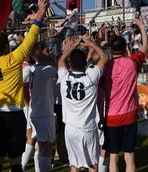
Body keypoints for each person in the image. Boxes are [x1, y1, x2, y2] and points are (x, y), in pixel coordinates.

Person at [0, 0, 48, 171]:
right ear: (7, 46)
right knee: (15, 161)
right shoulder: (14, 59)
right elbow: (31, 37)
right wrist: (41, 12)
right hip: (14, 115)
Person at [102, 18, 148, 172]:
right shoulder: (132, 62)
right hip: (129, 114)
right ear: (125, 48)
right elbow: (145, 47)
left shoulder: (106, 67)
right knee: (129, 156)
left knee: (114, 156)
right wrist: (142, 26)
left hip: (112, 116)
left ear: (110, 49)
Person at [57, 36, 108, 172]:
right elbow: (104, 57)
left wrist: (74, 46)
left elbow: (61, 60)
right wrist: (91, 44)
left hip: (70, 129)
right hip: (87, 129)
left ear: (70, 64)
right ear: (85, 65)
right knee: (93, 165)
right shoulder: (91, 77)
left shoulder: (64, 77)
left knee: (75, 165)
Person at [29, 42, 57, 172]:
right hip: (44, 114)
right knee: (47, 147)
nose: (50, 52)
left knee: (41, 146)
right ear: (38, 53)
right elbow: (60, 68)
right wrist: (50, 59)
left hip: (37, 112)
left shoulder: (32, 68)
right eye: (47, 50)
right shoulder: (45, 70)